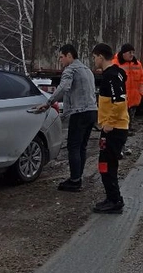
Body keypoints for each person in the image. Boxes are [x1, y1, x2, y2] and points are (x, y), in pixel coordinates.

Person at [34, 44, 97, 192]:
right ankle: (78, 177)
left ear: (69, 55)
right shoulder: (88, 71)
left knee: (73, 146)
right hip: (92, 111)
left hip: (79, 113)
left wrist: (49, 102)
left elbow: (63, 88)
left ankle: (74, 181)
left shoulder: (71, 69)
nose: (60, 61)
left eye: (61, 57)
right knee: (82, 146)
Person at [92, 42, 129, 213]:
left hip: (114, 129)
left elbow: (119, 102)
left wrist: (109, 123)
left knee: (107, 164)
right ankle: (112, 197)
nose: (94, 61)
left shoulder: (111, 76)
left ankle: (115, 200)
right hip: (115, 127)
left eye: (94, 57)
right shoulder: (116, 74)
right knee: (106, 164)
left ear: (100, 56)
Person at [117, 43, 143, 132]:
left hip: (134, 96)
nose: (132, 54)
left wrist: (141, 93)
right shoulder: (116, 63)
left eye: (133, 52)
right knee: (121, 116)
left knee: (131, 115)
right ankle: (123, 130)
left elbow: (142, 78)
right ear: (123, 53)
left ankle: (129, 128)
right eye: (129, 52)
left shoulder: (137, 64)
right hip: (122, 96)